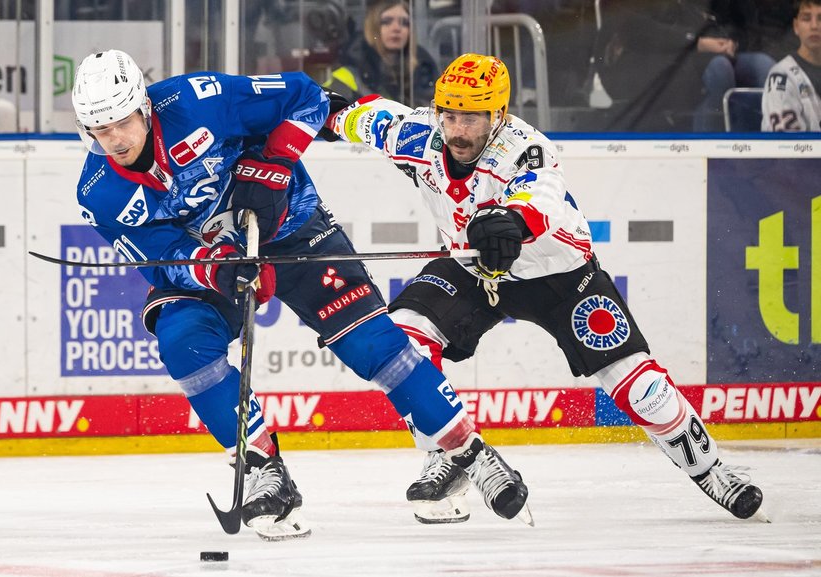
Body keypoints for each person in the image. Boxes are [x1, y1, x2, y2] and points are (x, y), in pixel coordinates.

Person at [69, 49, 531, 540]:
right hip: (217, 263)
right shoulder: (98, 192)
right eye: (99, 130)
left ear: (144, 107)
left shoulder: (199, 99)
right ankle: (263, 470)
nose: (113, 139)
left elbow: (306, 96)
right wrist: (218, 270)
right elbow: (163, 257)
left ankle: (470, 453)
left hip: (294, 229)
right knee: (182, 341)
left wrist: (274, 160)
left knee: (374, 346)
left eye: (121, 122)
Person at [322, 53, 765, 523]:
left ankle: (712, 469)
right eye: (449, 114)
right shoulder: (419, 134)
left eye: (471, 117)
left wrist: (510, 219)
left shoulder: (525, 147)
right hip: (473, 268)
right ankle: (448, 457)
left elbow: (543, 197)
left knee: (640, 387)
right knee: (404, 339)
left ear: (498, 115)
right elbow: (365, 116)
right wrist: (325, 114)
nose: (457, 130)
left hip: (558, 272)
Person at [595, 0, 774, 131]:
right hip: (635, 65)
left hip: (692, 55)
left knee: (763, 67)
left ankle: (759, 154)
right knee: (719, 69)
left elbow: (716, 20)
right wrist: (697, 42)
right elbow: (635, 30)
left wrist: (728, 42)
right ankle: (710, 151)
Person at [323, 0, 437, 108]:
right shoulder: (350, 71)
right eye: (386, 22)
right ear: (373, 27)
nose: (396, 28)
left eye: (404, 23)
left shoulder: (424, 68)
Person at [762, 0, 821, 132]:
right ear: (796, 26)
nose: (814, 26)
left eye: (820, 19)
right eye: (806, 19)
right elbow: (786, 147)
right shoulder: (782, 76)